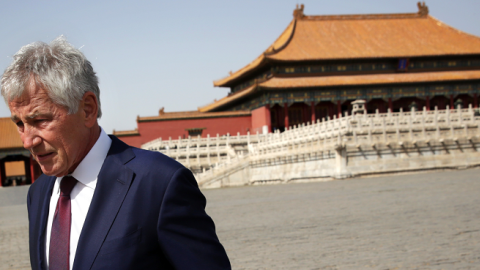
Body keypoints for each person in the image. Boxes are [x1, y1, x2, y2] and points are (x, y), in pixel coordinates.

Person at [1, 36, 231, 270]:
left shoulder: (158, 184)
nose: (27, 140)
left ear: (88, 110)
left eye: (39, 120)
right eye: (19, 123)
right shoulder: (39, 193)